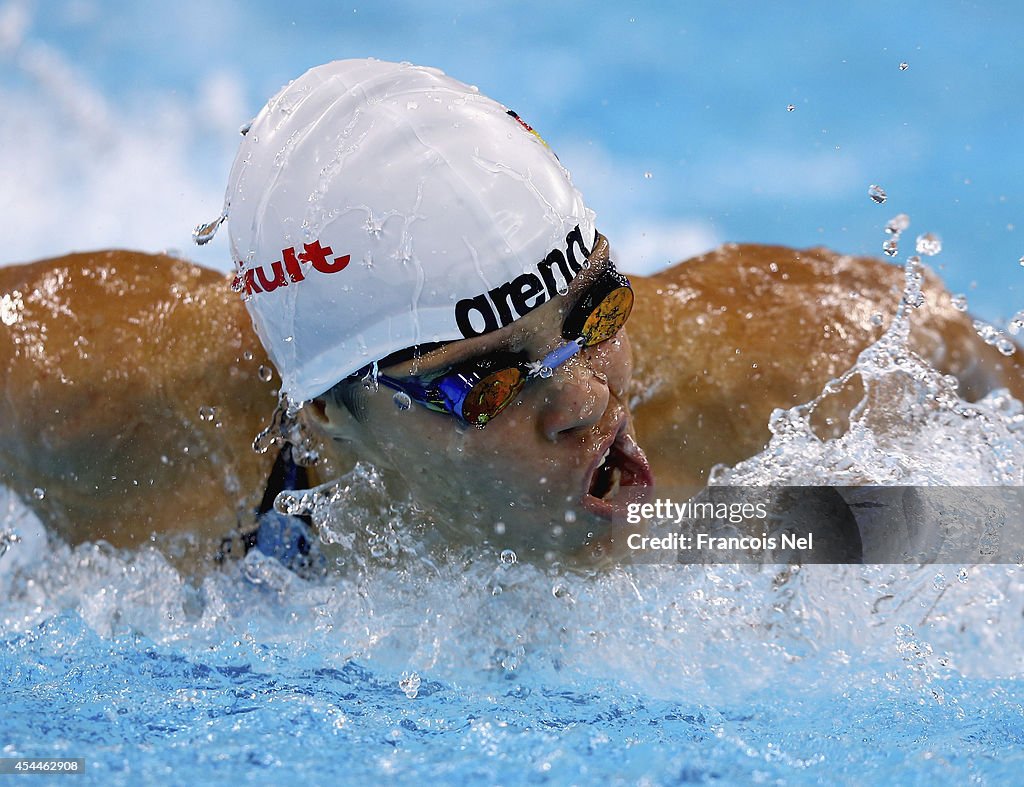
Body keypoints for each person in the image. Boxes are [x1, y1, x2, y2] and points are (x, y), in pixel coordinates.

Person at [1, 60, 1020, 566]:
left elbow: (986, 391)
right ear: (325, 410)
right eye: (484, 379)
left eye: (595, 309)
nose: (585, 397)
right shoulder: (112, 409)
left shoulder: (766, 378)